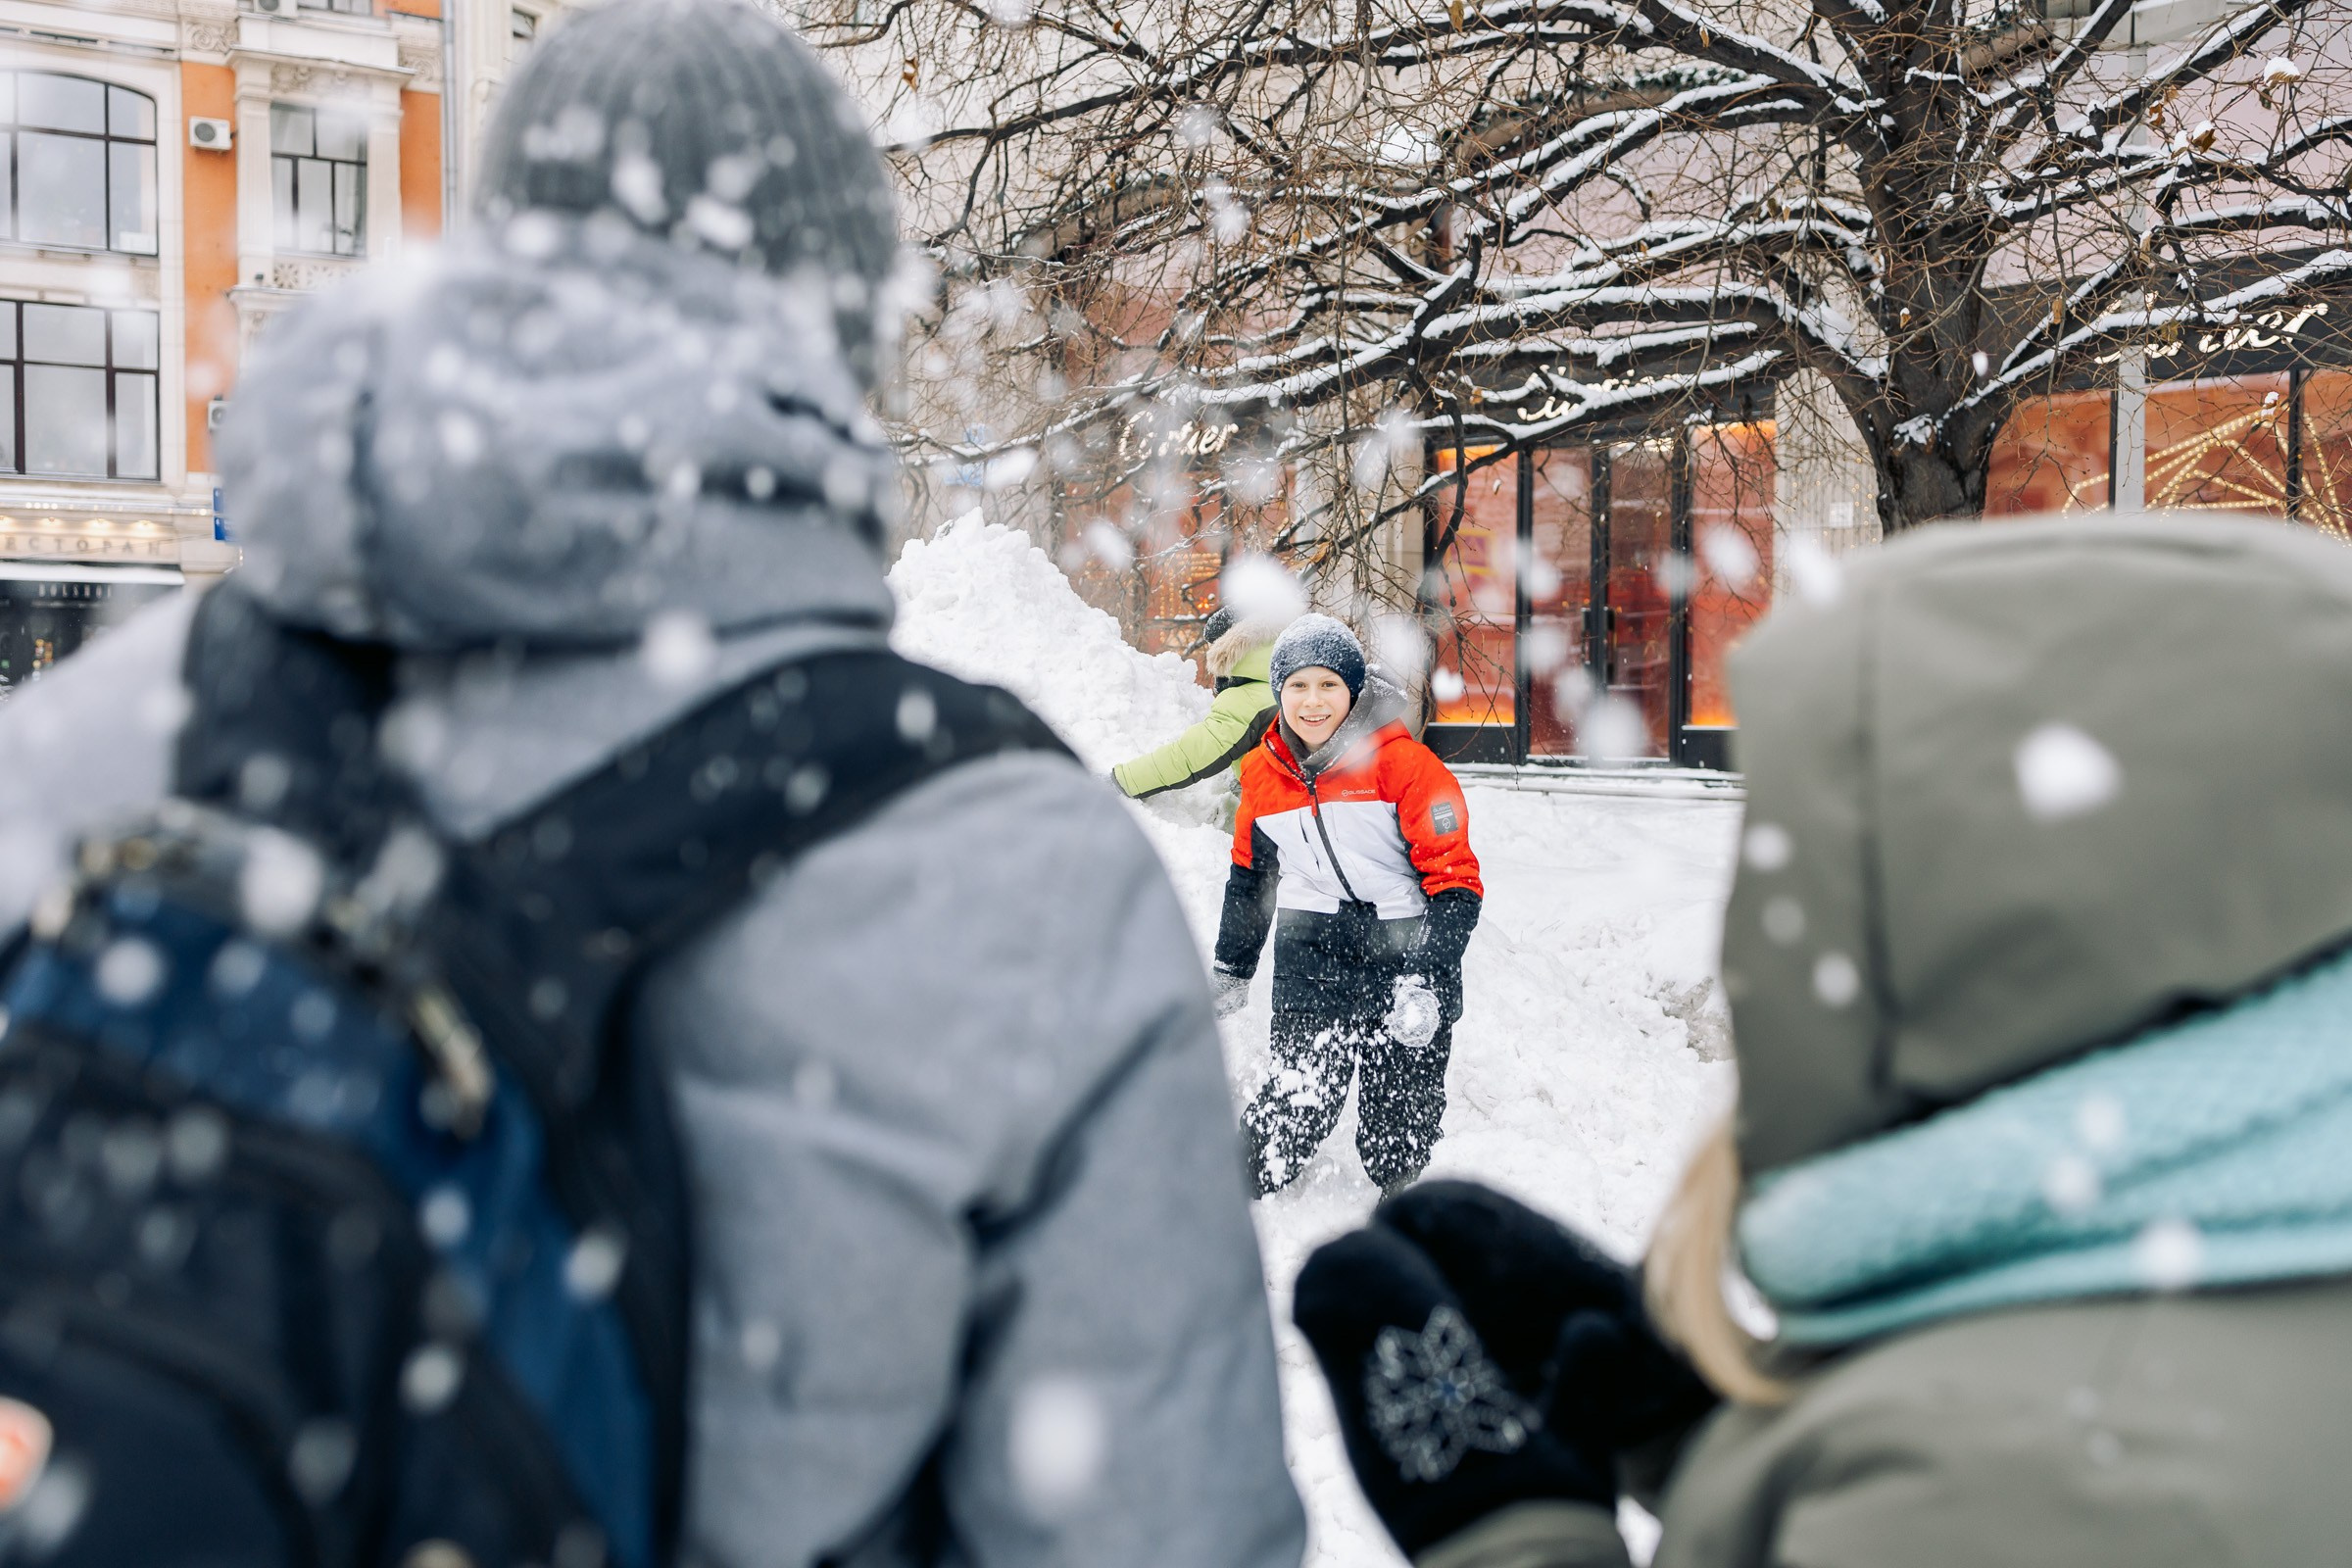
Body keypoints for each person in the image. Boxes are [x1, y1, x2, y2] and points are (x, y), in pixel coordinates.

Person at [0, 4, 1307, 1566]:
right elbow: (1159, 1531)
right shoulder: (1020, 869)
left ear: (498, 267)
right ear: (837, 334)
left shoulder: (90, 741)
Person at [1288, 513, 2352, 1568]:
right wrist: (1719, 1449)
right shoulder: (2171, 1322)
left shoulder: (2030, 1470)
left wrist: (1512, 1539)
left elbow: (1994, 1496)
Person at [1213, 613, 1482, 1199]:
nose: (1313, 702)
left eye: (1329, 684)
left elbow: (1457, 883)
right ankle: (1225, 1197)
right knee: (1297, 1096)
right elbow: (1250, 875)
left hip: (1406, 945)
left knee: (1399, 1114)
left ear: (1354, 690)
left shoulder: (1406, 766)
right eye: (1298, 686)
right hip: (1312, 946)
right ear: (1278, 691)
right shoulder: (1262, 773)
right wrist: (1232, 969)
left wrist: (1427, 975)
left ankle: (1405, 1210)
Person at [1109, 607, 1281, 813]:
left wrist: (1122, 781)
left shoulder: (1245, 699)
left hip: (1282, 814)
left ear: (1226, 649)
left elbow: (1191, 756)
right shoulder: (1289, 688)